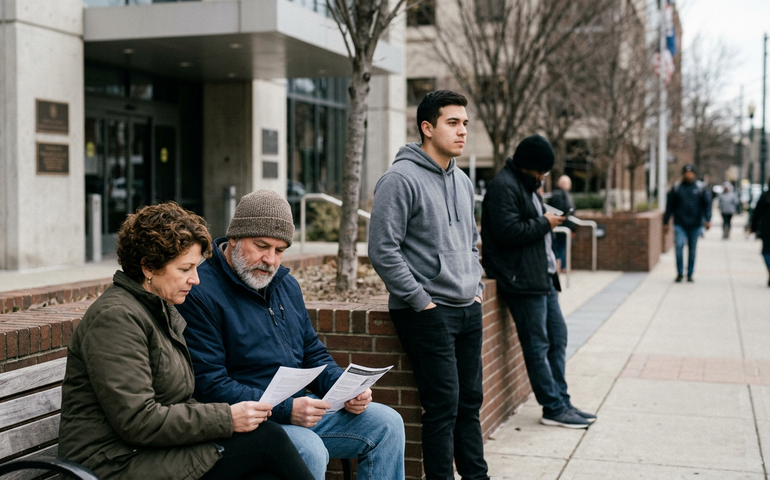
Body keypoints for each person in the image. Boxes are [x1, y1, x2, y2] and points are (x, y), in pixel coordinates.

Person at [59, 202, 315, 480]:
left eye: (196, 268)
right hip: (113, 463)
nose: (195, 279)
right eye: (185, 269)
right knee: (268, 439)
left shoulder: (157, 308)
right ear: (148, 267)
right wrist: (227, 418)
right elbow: (137, 421)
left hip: (149, 451)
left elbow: (175, 400)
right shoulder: (116, 318)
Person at [176, 189, 405, 480]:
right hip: (251, 423)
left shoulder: (286, 285)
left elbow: (312, 352)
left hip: (300, 411)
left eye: (280, 250)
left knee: (387, 423)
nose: (271, 260)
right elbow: (209, 383)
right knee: (308, 448)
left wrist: (345, 389)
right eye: (262, 246)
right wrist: (286, 410)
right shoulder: (200, 291)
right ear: (234, 237)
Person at [369, 90, 490, 480]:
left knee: (470, 402)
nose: (462, 131)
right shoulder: (399, 179)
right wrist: (421, 301)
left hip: (466, 307)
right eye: (452, 123)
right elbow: (382, 249)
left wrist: (477, 289)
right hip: (426, 311)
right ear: (427, 127)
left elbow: (472, 242)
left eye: (465, 123)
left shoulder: (463, 182)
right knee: (443, 406)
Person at [481, 134, 596, 430]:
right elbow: (507, 232)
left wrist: (547, 219)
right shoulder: (503, 187)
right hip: (521, 280)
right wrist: (546, 222)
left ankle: (562, 401)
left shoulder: (528, 186)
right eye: (542, 171)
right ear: (529, 165)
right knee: (537, 345)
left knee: (558, 339)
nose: (544, 176)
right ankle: (553, 407)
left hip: (542, 278)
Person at [663, 164, 712, 282]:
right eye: (686, 172)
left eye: (690, 173)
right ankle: (680, 273)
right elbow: (669, 206)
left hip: (695, 225)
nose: (688, 175)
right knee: (679, 246)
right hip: (679, 223)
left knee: (692, 250)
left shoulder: (700, 188)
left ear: (694, 174)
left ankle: (690, 273)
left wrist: (707, 219)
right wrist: (665, 222)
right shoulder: (676, 188)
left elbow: (707, 205)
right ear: (683, 174)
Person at [547, 174, 576, 271]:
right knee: (560, 246)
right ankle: (560, 266)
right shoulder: (562, 195)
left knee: (559, 245)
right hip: (561, 225)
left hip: (560, 224)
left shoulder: (558, 194)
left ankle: (559, 266)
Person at [749, 178, 770, 287]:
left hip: (766, 228)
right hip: (766, 228)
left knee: (766, 251)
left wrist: (753, 227)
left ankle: (769, 268)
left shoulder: (764, 196)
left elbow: (756, 214)